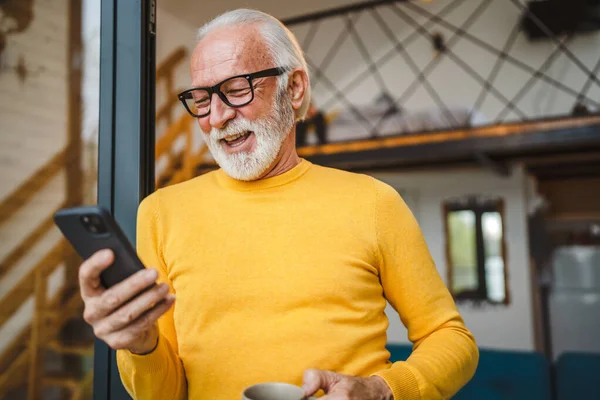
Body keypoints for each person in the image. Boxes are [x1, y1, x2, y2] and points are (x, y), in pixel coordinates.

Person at [78, 9, 479, 400]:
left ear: (294, 88)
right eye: (201, 99)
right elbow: (161, 395)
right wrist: (142, 344)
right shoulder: (160, 213)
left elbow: (452, 339)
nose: (215, 118)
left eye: (236, 90)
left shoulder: (374, 202)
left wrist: (382, 389)